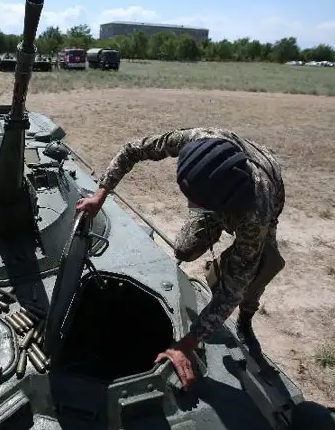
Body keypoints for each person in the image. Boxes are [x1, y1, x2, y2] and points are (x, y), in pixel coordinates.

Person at [75, 127, 286, 388]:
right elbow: (133, 150)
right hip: (220, 188)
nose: (190, 208)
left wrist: (187, 343)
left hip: (263, 191)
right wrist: (101, 194)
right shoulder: (198, 139)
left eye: (196, 203)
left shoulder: (255, 213)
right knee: (184, 249)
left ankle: (246, 320)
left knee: (255, 272)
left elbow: (233, 290)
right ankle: (216, 262)